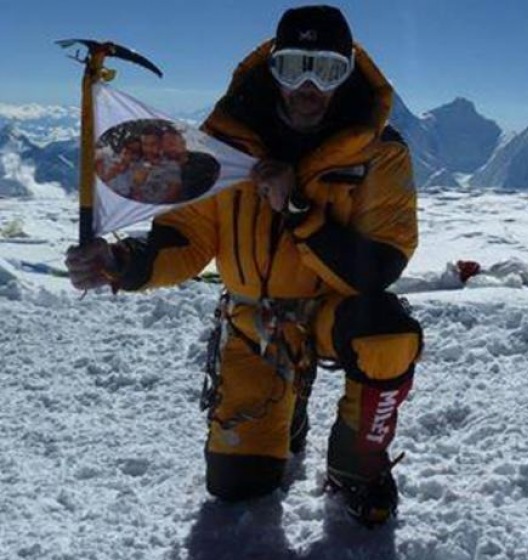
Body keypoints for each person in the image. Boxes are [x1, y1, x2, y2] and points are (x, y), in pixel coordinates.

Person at [65, 5, 420, 527]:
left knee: (385, 333)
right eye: (293, 65)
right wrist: (120, 262)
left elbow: (377, 270)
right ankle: (288, 404)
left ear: (346, 74)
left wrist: (298, 210)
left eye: (325, 69)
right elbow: (185, 240)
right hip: (257, 325)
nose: (307, 85)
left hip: (329, 314)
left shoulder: (377, 153)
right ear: (273, 68)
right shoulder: (223, 145)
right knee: (236, 487)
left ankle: (356, 466)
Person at [160, 127, 221, 201]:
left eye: (172, 143)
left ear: (183, 142)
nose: (171, 148)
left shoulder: (205, 161)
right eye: (166, 144)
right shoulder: (158, 170)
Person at [131, 125, 183, 204]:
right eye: (145, 144)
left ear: (160, 144)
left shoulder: (172, 166)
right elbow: (133, 195)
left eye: (153, 144)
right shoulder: (136, 165)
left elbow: (172, 196)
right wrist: (137, 184)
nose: (148, 149)